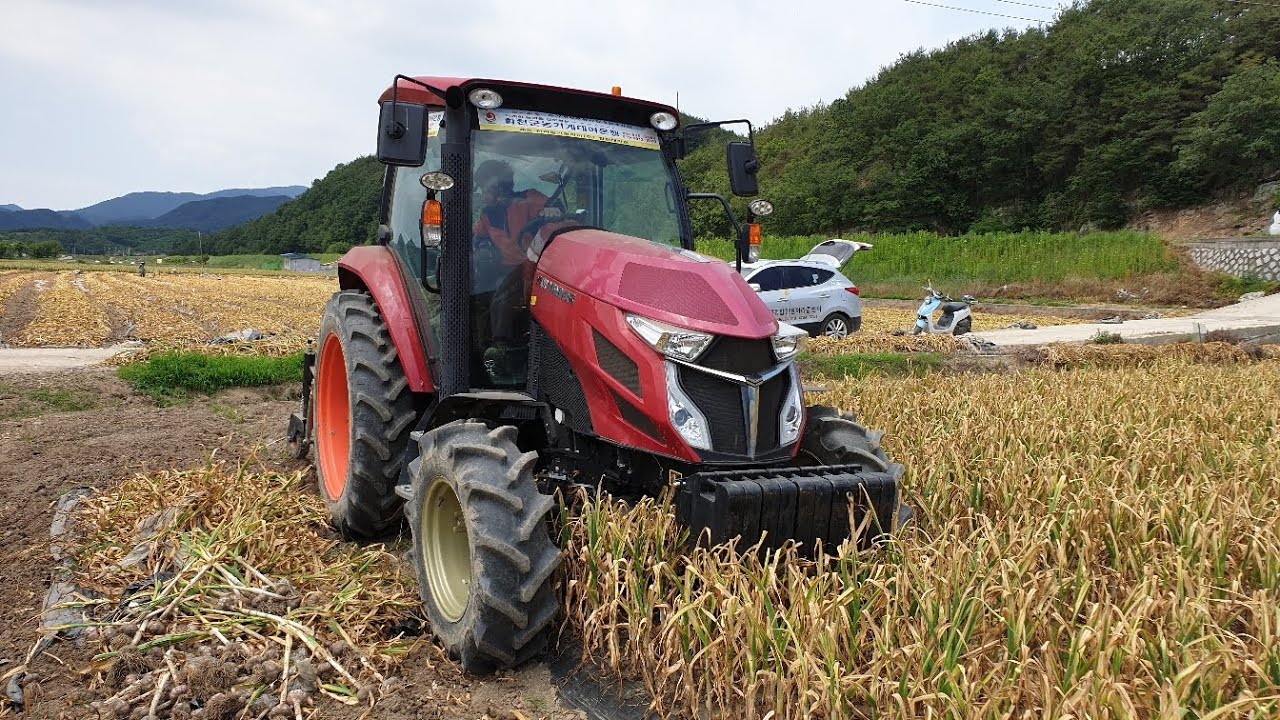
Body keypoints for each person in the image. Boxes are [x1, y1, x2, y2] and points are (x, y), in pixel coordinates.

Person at [472, 159, 562, 381]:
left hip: (533, 264)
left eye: (485, 188)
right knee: (480, 300)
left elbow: (555, 207)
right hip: (505, 268)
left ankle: (501, 349)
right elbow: (476, 235)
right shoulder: (488, 215)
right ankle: (484, 348)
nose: (483, 194)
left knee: (502, 299)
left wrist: (553, 210)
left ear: (499, 187)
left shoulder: (528, 199)